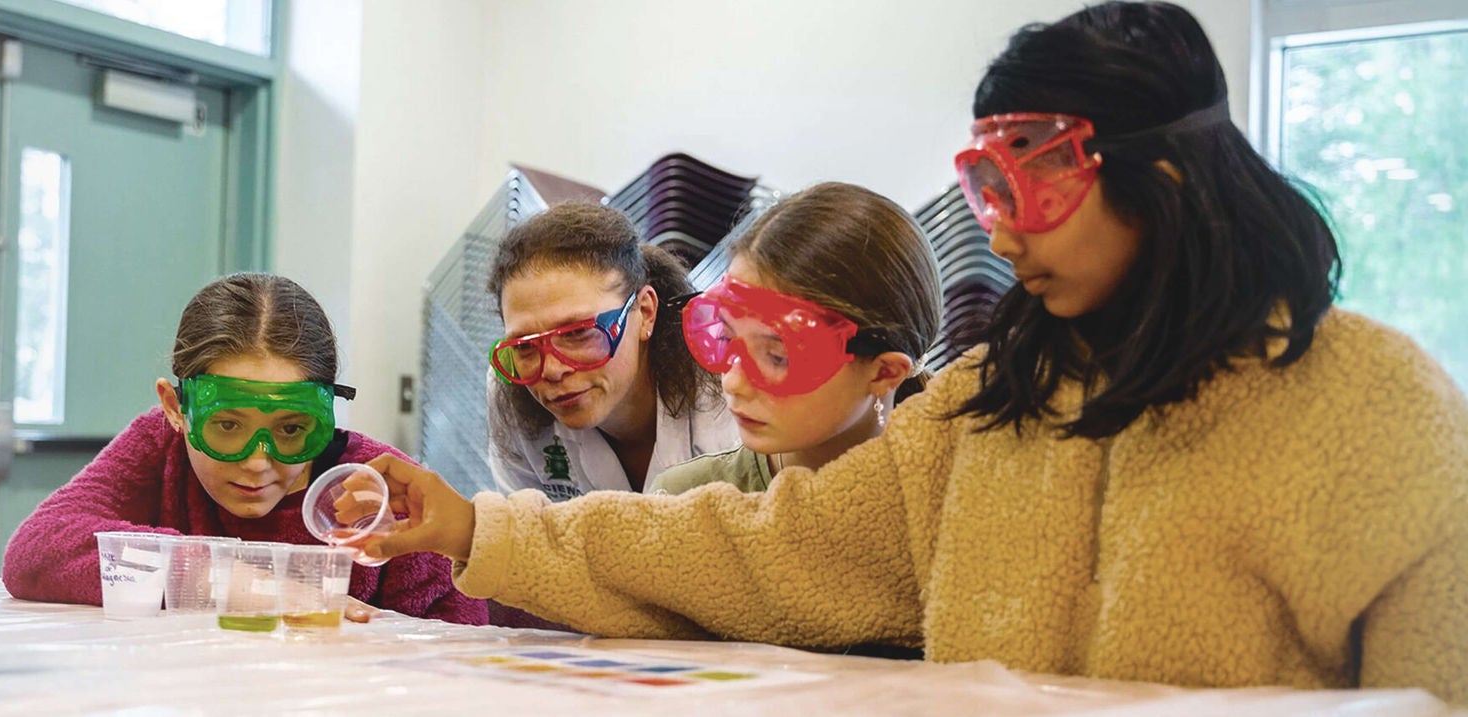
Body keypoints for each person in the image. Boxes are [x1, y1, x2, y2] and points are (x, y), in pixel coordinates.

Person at [358, 2, 1467, 701]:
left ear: (1163, 178)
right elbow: (749, 547)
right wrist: (471, 525)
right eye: (982, 186)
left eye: (1029, 180)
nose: (1000, 227)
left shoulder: (1371, 411)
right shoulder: (989, 412)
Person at [2, 273, 485, 625]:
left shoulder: (380, 490)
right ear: (175, 407)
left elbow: (461, 645)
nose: (258, 461)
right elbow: (35, 551)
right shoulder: (161, 444)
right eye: (228, 425)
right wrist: (250, 585)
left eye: (293, 430)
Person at [645, 182, 942, 496]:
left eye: (777, 356)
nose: (733, 383)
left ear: (885, 372)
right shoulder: (686, 504)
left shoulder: (964, 500)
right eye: (728, 337)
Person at [486, 202, 736, 500]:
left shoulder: (726, 391)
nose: (552, 369)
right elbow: (522, 534)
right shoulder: (513, 390)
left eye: (578, 332)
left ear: (645, 312)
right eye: (525, 345)